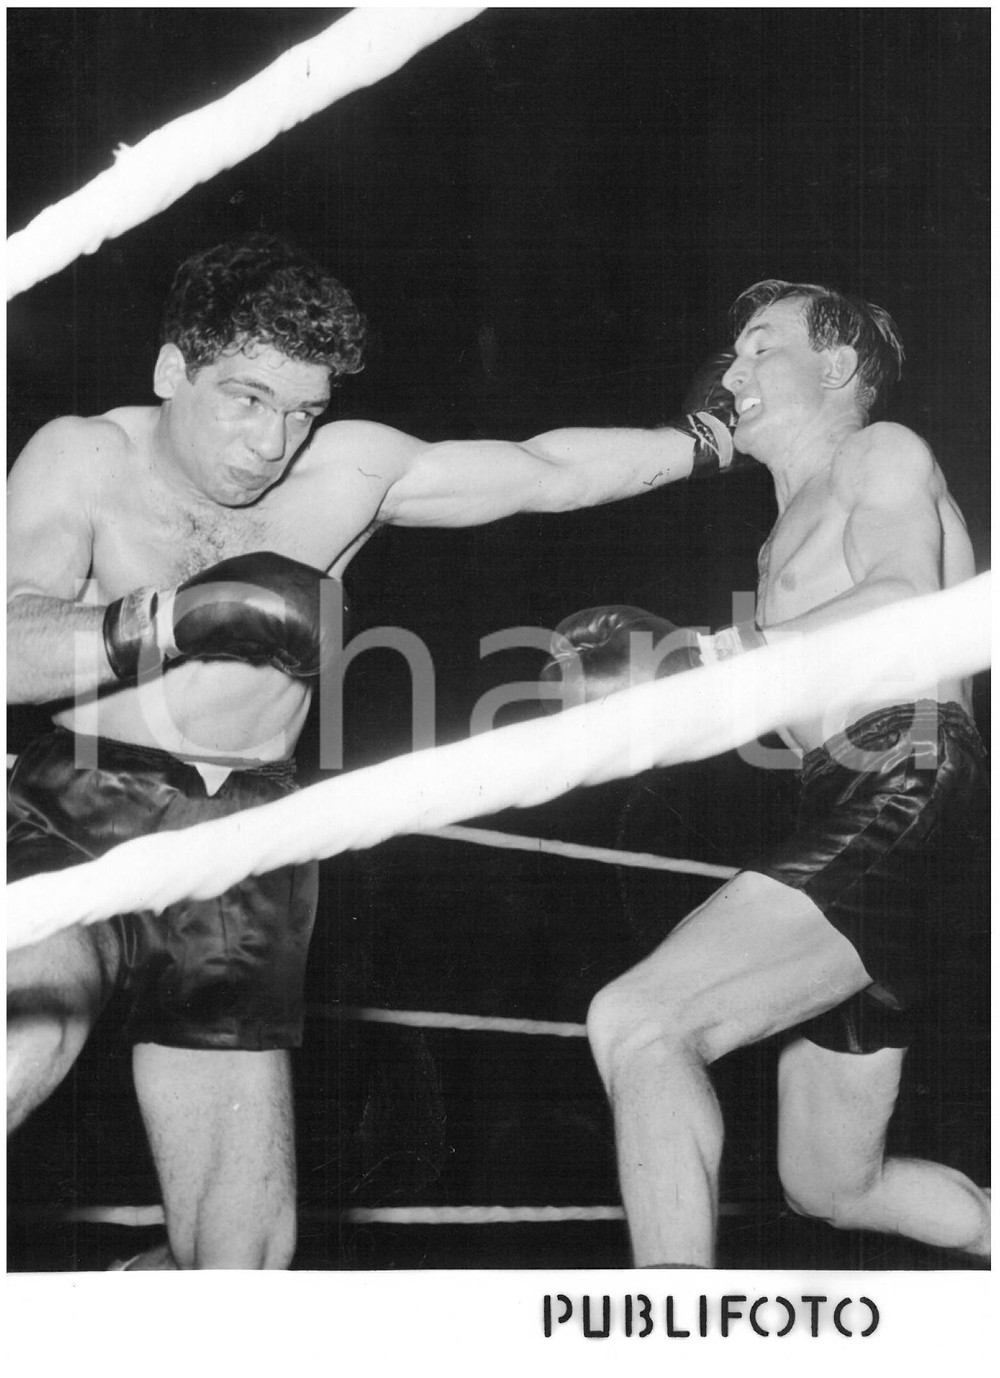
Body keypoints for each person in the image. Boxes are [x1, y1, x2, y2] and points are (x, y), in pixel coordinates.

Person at [6, 233, 741, 1270]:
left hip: (252, 840)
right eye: (246, 398)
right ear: (174, 370)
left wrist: (710, 439)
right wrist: (170, 619)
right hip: (82, 805)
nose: (272, 443)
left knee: (242, 1255)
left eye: (301, 410)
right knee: (25, 1034)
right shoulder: (85, 456)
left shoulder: (348, 468)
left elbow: (546, 472)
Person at [547, 280, 990, 1266]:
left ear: (834, 369)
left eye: (760, 349)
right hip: (861, 794)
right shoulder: (781, 531)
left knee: (639, 1018)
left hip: (904, 776)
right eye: (732, 354)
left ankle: (679, 1334)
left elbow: (901, 602)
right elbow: (786, 688)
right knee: (833, 1182)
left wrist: (703, 655)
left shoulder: (878, 453)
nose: (731, 371)